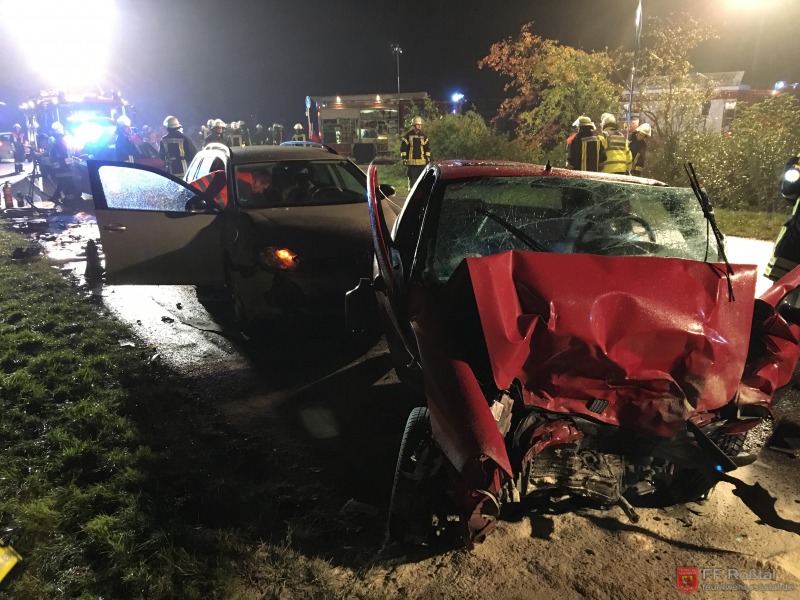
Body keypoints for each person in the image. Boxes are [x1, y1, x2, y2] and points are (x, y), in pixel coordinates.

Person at [765, 154, 800, 280]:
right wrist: (793, 168)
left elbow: (789, 192)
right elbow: (789, 192)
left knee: (785, 287)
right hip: (794, 245)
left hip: (794, 243)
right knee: (784, 286)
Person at [48, 122, 79, 203]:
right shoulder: (63, 142)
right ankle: (63, 197)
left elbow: (61, 156)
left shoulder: (59, 144)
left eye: (55, 135)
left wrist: (58, 164)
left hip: (63, 168)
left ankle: (70, 200)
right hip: (64, 168)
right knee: (65, 183)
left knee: (65, 183)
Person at [400, 116, 430, 190]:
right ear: (413, 125)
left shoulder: (424, 136)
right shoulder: (407, 136)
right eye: (418, 124)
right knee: (412, 181)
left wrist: (428, 158)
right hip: (411, 163)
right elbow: (403, 148)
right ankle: (412, 194)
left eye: (420, 125)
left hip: (421, 163)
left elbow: (427, 148)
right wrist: (404, 158)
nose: (419, 126)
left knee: (422, 181)